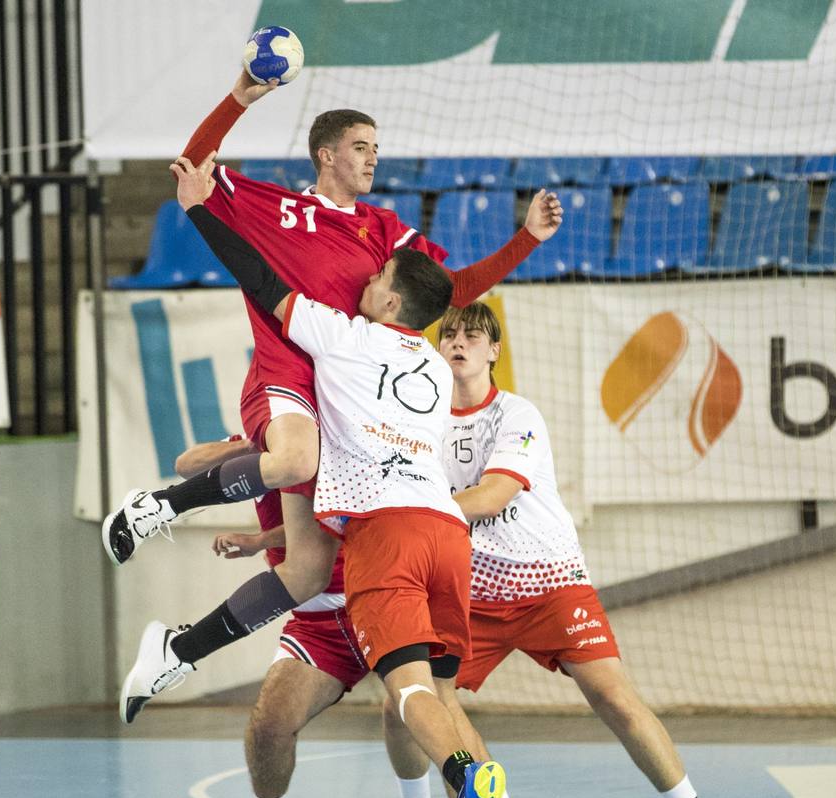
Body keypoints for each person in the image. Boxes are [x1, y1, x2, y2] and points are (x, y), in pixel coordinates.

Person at [108, 66, 561, 723]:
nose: (372, 158)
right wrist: (241, 94)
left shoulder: (385, 231)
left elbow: (450, 290)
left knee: (306, 574)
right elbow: (194, 167)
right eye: (360, 146)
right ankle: (160, 505)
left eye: (377, 148)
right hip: (286, 372)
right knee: (293, 461)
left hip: (342, 409)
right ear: (326, 155)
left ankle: (176, 648)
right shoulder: (280, 208)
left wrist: (527, 241)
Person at [170, 154, 512, 798]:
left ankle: (476, 786)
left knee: (410, 692)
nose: (364, 279)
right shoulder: (426, 365)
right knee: (433, 691)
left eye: (377, 280)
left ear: (391, 304)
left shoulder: (345, 340)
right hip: (444, 536)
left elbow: (265, 285)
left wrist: (202, 209)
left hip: (385, 541)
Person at [400, 301, 733, 798]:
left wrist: (413, 517)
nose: (459, 342)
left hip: (550, 583)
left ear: (494, 351)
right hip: (474, 595)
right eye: (449, 334)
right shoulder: (422, 427)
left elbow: (492, 497)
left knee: (613, 697)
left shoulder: (517, 413)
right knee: (422, 698)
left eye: (472, 335)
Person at [168, 436, 445, 798]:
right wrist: (250, 447)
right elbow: (186, 464)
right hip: (317, 623)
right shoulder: (274, 436)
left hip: (378, 598)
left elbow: (329, 520)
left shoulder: (349, 430)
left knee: (411, 708)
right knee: (270, 724)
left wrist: (262, 539)